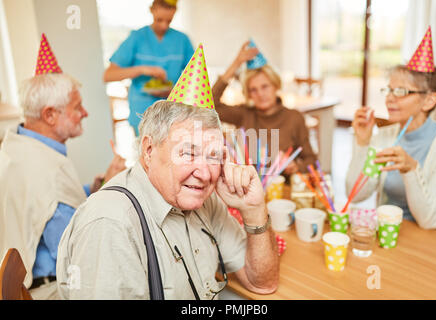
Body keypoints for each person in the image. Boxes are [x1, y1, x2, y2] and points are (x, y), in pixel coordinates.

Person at [57, 45, 279, 300]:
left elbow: (262, 283)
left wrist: (254, 211)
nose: (206, 174)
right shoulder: (111, 224)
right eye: (188, 153)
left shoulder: (205, 198)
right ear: (149, 150)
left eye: (214, 155)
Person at [0, 34, 126, 300]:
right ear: (49, 115)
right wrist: (110, 190)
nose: (85, 113)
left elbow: (43, 207)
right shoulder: (45, 170)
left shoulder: (16, 146)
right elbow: (78, 255)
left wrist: (91, 189)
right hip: (49, 289)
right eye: (77, 106)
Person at [346, 27, 436, 232]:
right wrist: (362, 143)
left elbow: (431, 221)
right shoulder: (385, 136)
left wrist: (411, 169)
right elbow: (355, 194)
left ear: (429, 100)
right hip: (388, 235)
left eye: (401, 91)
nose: (389, 98)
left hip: (432, 242)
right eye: (389, 89)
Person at [212, 41, 317, 175]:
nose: (260, 94)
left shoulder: (294, 118)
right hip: (247, 187)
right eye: (253, 90)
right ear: (248, 94)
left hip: (281, 190)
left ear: (275, 85)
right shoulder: (244, 114)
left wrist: (295, 166)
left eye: (265, 86)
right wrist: (236, 64)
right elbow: (211, 104)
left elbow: (311, 159)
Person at [103, 0, 194, 134]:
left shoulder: (182, 40)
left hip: (174, 112)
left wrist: (175, 91)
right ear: (152, 10)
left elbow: (195, 78)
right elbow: (108, 75)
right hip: (142, 113)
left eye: (168, 21)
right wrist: (142, 69)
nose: (164, 26)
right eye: (159, 20)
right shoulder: (137, 38)